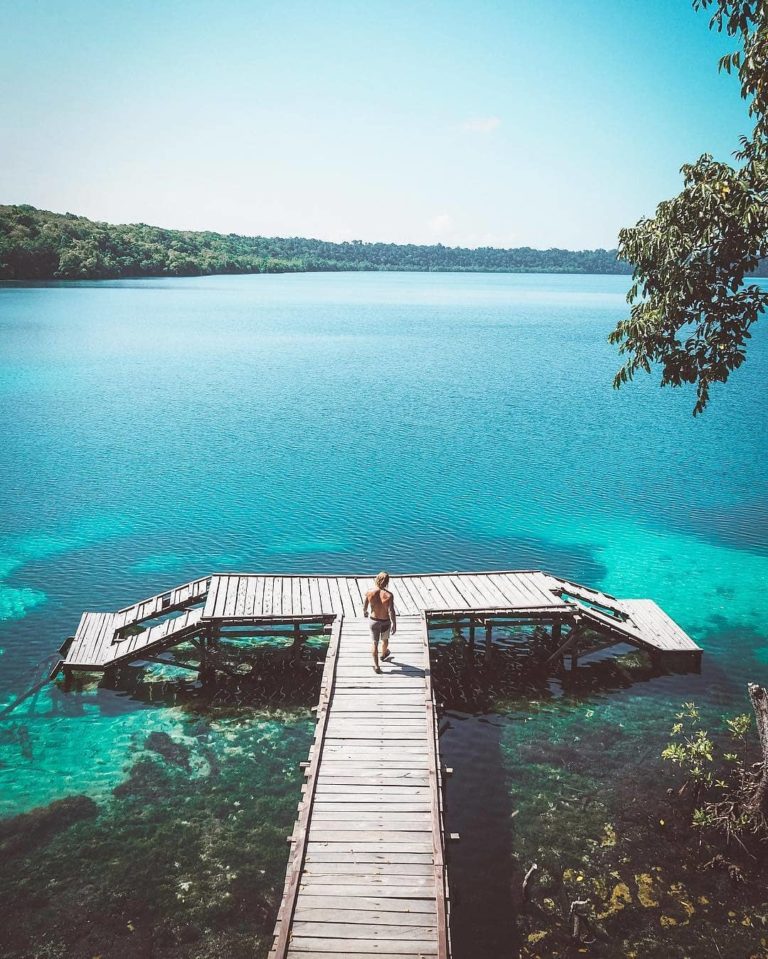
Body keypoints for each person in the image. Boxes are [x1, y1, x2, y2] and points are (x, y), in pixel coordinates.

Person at [363, 571, 397, 673]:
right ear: (387, 582)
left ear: (377, 579)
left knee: (374, 643)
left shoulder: (369, 592)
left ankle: (376, 666)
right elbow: (391, 611)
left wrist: (365, 612)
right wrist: (394, 623)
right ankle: (383, 654)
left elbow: (365, 606)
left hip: (374, 621)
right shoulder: (389, 595)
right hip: (385, 621)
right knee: (385, 639)